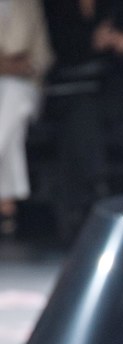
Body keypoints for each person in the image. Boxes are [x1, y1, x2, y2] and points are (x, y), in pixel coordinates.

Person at [43, 0, 123, 243]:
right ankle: (95, 191)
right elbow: (56, 49)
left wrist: (118, 43)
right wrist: (93, 41)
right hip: (67, 87)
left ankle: (75, 208)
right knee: (81, 116)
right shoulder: (56, 6)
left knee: (80, 122)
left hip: (110, 89)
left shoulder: (115, 6)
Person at [0, 0, 53, 236]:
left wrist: (24, 65)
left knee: (11, 95)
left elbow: (43, 55)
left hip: (24, 85)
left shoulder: (29, 4)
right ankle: (6, 205)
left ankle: (6, 207)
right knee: (11, 129)